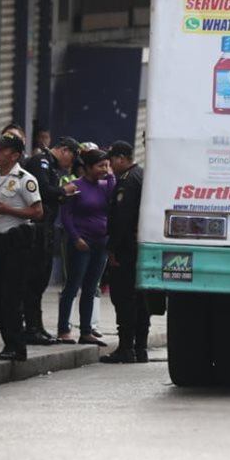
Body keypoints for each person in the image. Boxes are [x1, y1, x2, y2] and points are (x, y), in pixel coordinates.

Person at [0, 135, 43, 362]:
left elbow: (37, 212)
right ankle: (8, 343)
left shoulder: (25, 180)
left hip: (17, 243)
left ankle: (17, 347)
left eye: (2, 150)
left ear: (15, 155)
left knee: (11, 296)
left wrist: (8, 210)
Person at [23, 136, 80, 345]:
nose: (70, 165)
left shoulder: (52, 166)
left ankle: (37, 326)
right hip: (36, 228)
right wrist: (64, 191)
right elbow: (43, 190)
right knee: (33, 279)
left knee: (41, 280)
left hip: (46, 228)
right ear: (64, 150)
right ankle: (31, 327)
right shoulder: (41, 162)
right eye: (72, 158)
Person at [57, 147, 115, 345]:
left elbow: (113, 201)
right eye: (100, 166)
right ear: (88, 167)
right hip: (81, 243)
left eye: (106, 165)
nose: (104, 169)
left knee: (91, 288)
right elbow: (66, 215)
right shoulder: (75, 186)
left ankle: (86, 331)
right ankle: (63, 329)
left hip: (101, 243)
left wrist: (110, 177)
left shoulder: (105, 185)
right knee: (72, 286)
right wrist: (76, 238)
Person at [100, 141, 149, 364]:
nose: (110, 165)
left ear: (121, 158)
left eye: (111, 160)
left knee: (124, 298)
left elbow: (122, 218)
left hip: (127, 249)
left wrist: (113, 248)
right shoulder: (142, 175)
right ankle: (140, 348)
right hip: (139, 246)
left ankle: (126, 348)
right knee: (140, 300)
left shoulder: (127, 181)